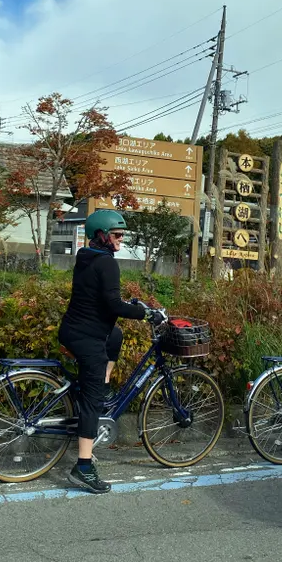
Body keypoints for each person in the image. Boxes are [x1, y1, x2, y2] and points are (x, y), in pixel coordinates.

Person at [58, 209, 163, 494]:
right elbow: (114, 306)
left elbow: (103, 299)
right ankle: (83, 467)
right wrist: (147, 314)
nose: (120, 239)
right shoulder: (107, 264)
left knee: (115, 335)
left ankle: (102, 383)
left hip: (74, 330)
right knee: (92, 401)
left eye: (122, 235)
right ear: (101, 235)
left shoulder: (86, 257)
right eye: (116, 234)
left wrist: (132, 306)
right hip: (87, 338)